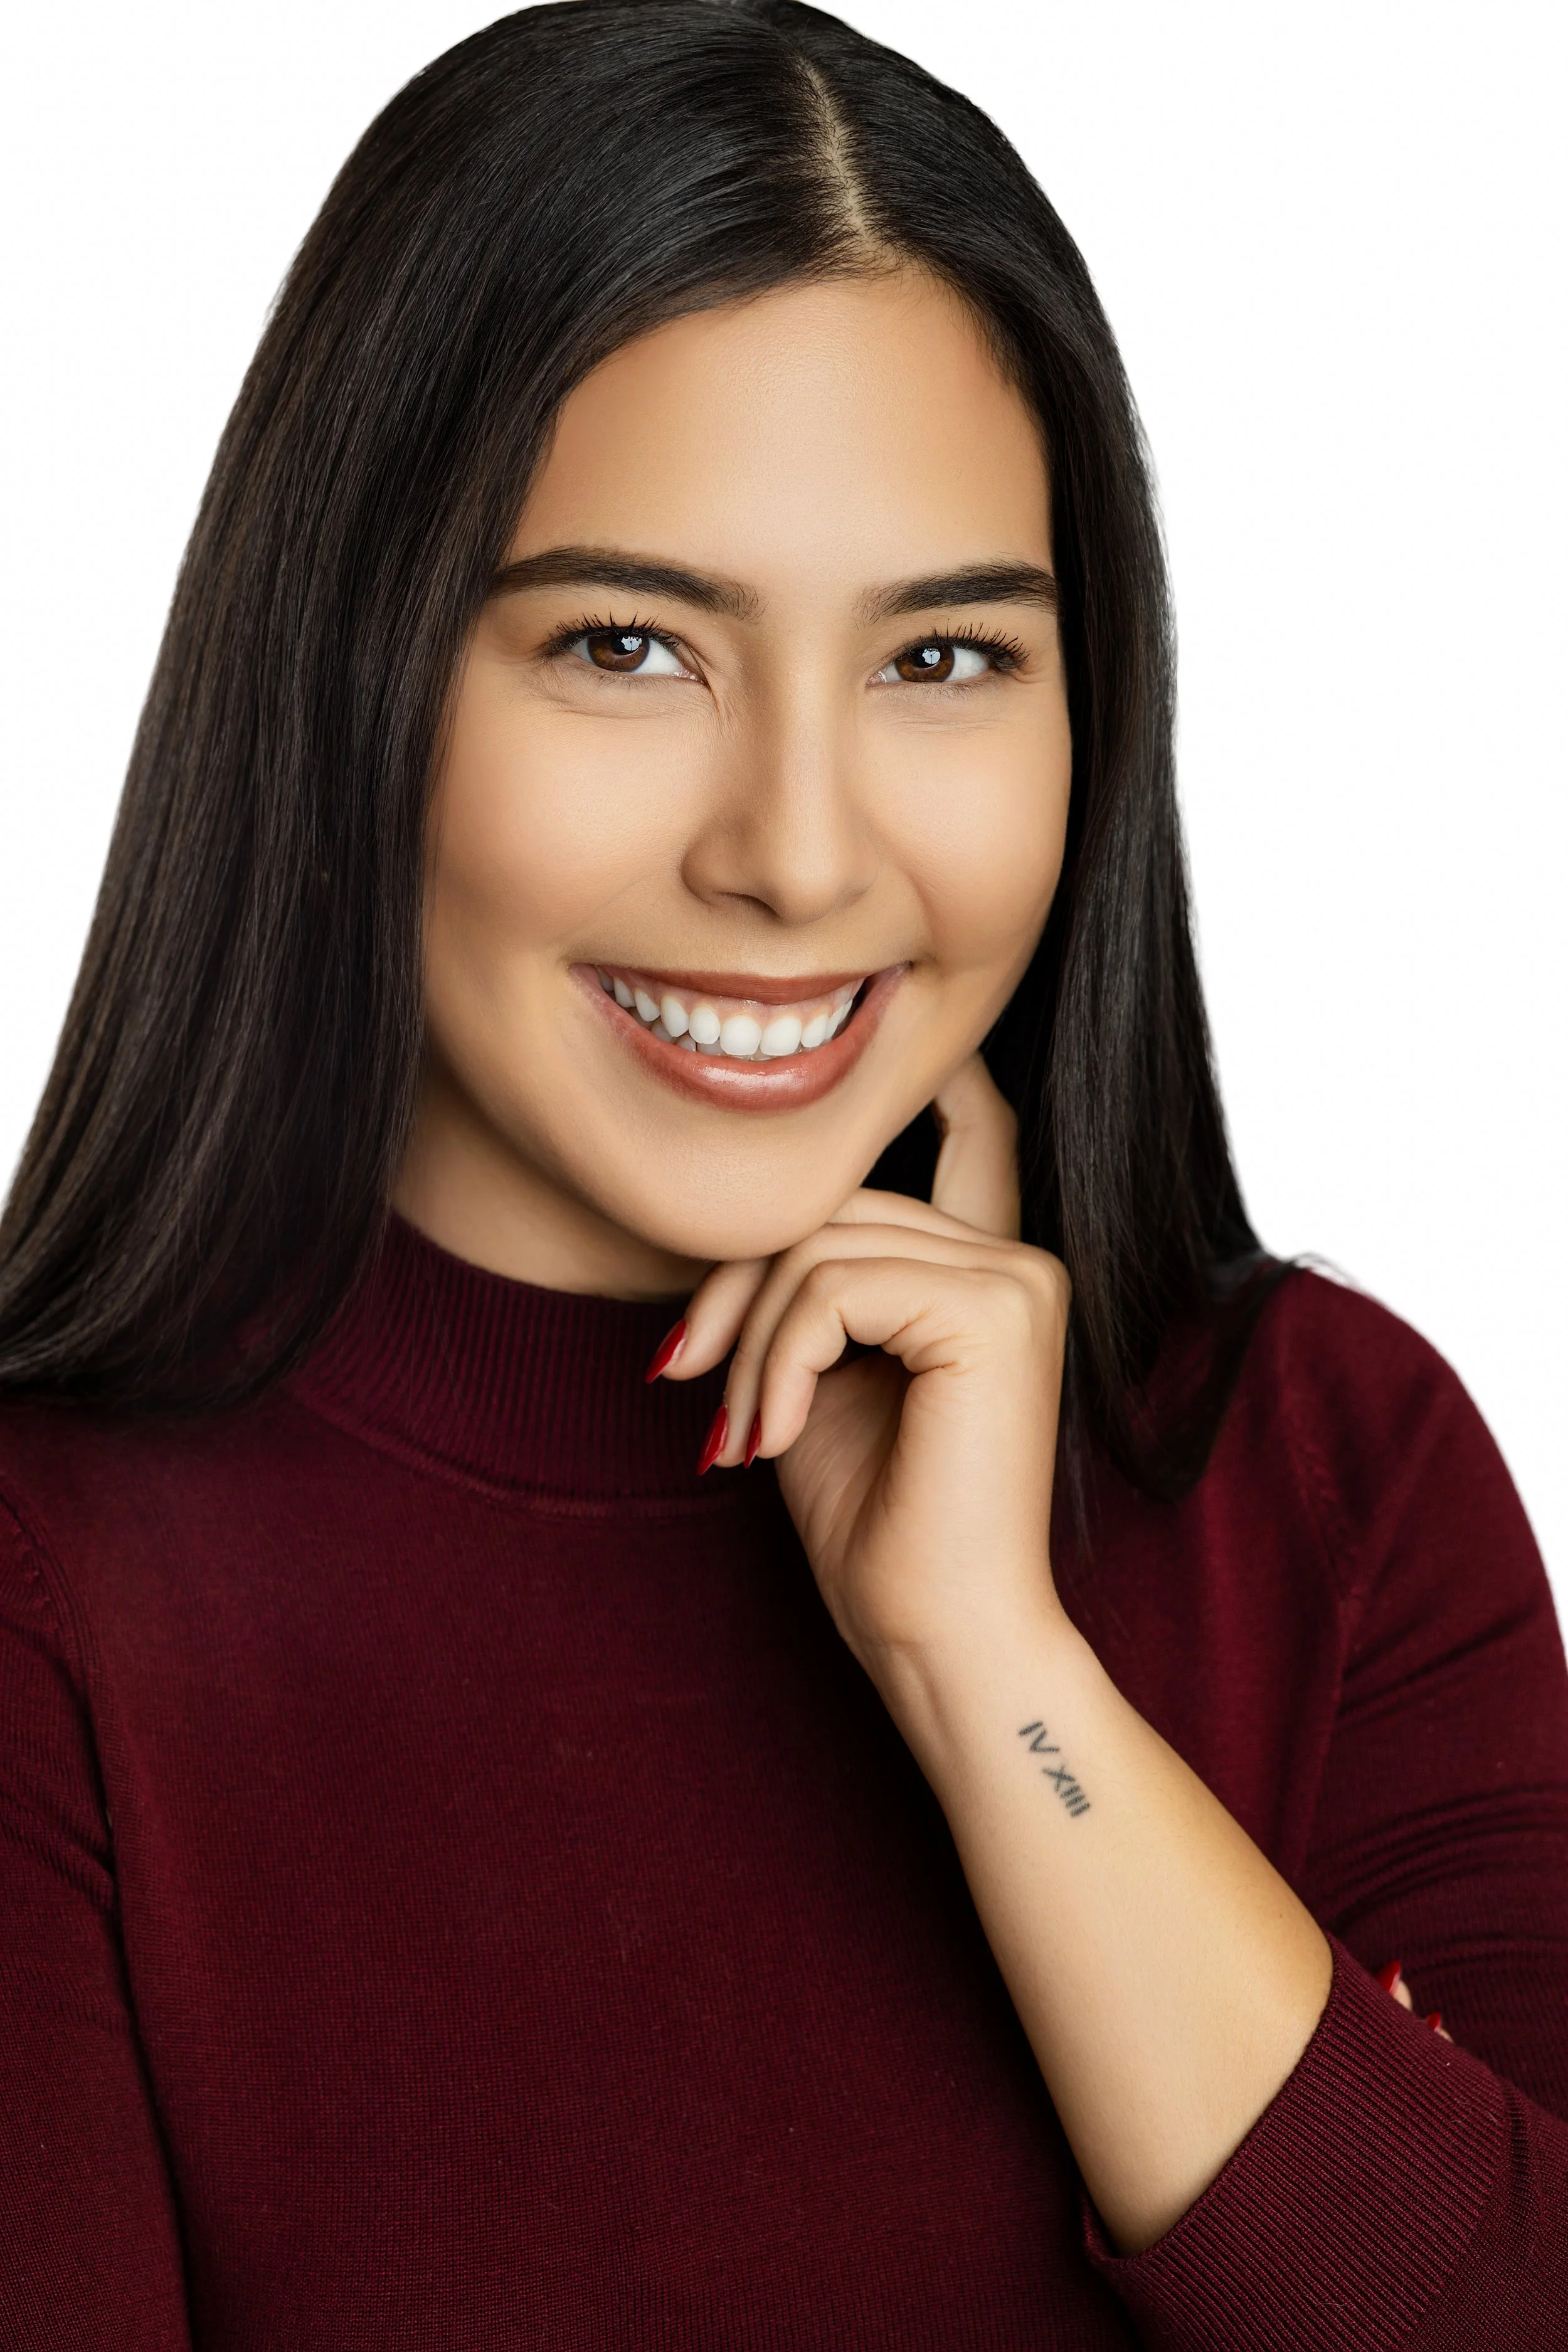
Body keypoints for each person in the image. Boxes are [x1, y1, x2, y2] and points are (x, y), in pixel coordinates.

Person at [2, 3, 1565, 2344]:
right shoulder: (47, 1574)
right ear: (349, 669)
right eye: (626, 643)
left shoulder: (1323, 1467)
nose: (799, 858)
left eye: (942, 657)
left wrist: (980, 1661)